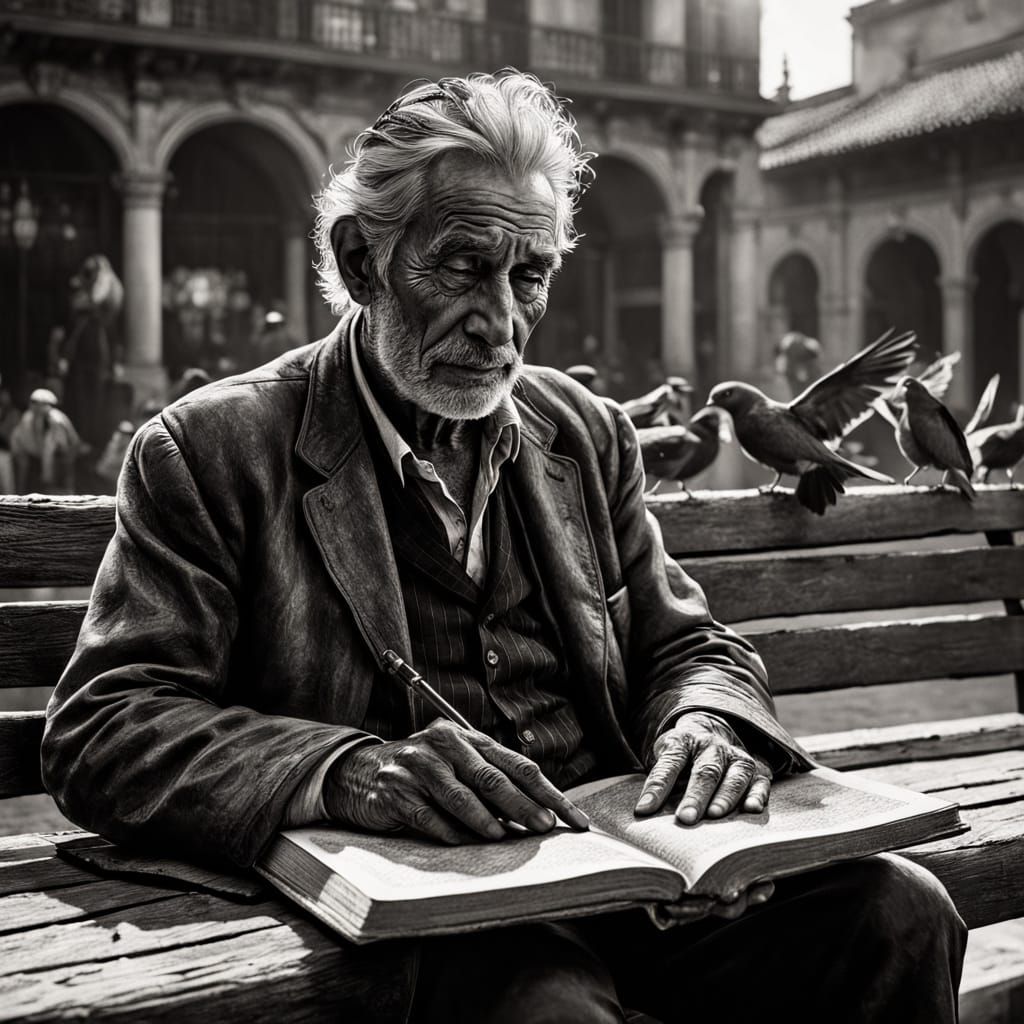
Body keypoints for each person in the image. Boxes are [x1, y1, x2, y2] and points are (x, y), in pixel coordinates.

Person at [42, 72, 965, 1023]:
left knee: (899, 912)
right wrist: (347, 769)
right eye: (462, 267)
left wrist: (708, 726)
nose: (501, 322)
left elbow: (689, 647)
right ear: (363, 261)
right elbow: (106, 726)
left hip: (634, 872)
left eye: (529, 276)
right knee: (548, 1013)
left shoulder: (582, 431)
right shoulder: (212, 449)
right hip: (440, 913)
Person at [10, 388, 81, 494]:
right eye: (33, 403)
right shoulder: (28, 417)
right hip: (36, 463)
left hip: (58, 461)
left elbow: (70, 443)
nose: (36, 406)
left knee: (61, 494)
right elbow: (19, 439)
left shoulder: (56, 419)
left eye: (41, 404)